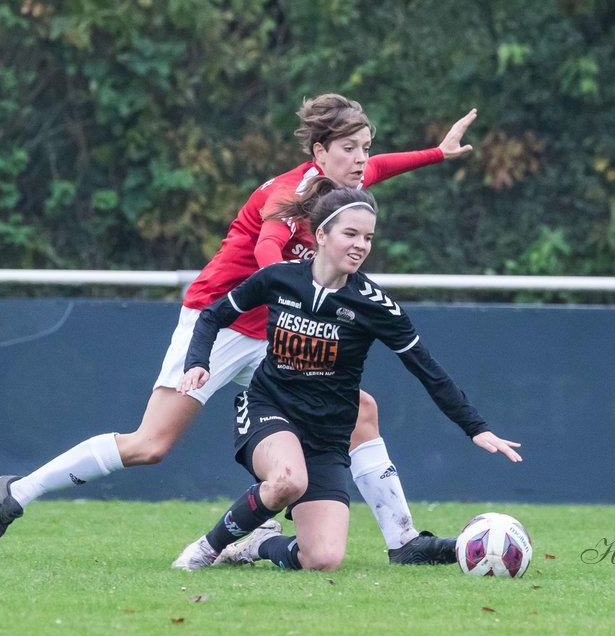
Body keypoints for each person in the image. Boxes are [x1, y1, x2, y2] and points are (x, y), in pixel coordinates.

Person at [0, 94, 480, 564]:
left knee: (360, 410)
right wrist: (288, 289)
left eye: (366, 149)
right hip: (221, 322)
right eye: (350, 149)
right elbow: (267, 250)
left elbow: (381, 170)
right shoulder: (291, 193)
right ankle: (16, 492)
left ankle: (404, 541)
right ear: (320, 151)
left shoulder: (342, 191)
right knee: (150, 444)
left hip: (274, 332)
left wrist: (437, 153)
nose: (362, 161)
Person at [171, 182, 522, 571]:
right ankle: (206, 550)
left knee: (322, 559)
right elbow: (213, 316)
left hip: (327, 435)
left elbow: (428, 370)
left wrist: (475, 427)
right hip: (269, 409)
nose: (360, 245)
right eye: (350, 234)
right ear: (321, 234)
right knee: (288, 481)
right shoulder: (279, 279)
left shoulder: (375, 306)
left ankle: (261, 543)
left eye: (368, 237)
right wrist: (196, 362)